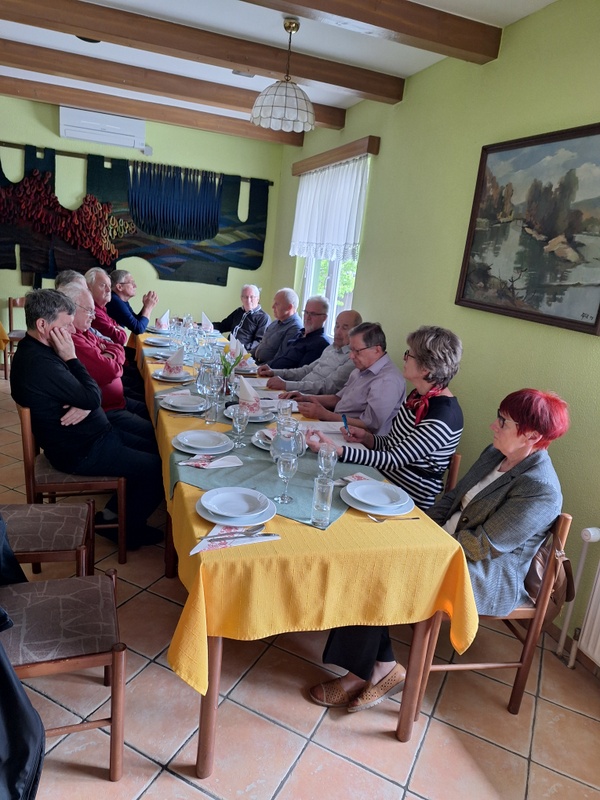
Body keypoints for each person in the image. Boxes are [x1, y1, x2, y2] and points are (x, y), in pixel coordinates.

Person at [308, 388, 569, 713]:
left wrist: (422, 546)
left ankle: (361, 674)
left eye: (503, 422)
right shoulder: (496, 453)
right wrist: (417, 526)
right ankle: (382, 666)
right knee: (368, 549)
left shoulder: (540, 488)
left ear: (532, 436)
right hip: (443, 543)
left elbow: (483, 546)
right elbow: (452, 499)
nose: (493, 425)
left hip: (481, 571)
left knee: (380, 569)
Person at [9, 289, 164, 550]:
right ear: (42, 325)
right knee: (157, 468)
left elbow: (89, 393)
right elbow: (92, 395)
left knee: (159, 447)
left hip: (95, 436)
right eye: (66, 325)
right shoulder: (41, 362)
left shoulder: (41, 349)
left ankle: (113, 515)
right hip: (82, 450)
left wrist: (87, 403)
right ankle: (127, 531)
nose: (72, 331)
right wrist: (72, 359)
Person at [307, 325, 463, 508]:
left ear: (426, 368)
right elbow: (392, 443)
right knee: (316, 484)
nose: (404, 358)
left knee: (322, 496)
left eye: (409, 355)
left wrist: (337, 450)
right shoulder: (418, 397)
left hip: (408, 499)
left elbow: (394, 459)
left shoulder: (444, 415)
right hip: (381, 481)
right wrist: (367, 438)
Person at [59, 282, 154, 435]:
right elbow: (111, 370)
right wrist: (109, 356)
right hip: (107, 411)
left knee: (158, 411)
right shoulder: (73, 339)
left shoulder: (84, 331)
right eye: (89, 311)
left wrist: (108, 354)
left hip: (118, 402)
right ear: (71, 310)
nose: (94, 316)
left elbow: (117, 345)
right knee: (158, 431)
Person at [295, 322, 405, 435]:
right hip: (336, 426)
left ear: (376, 350)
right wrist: (305, 398)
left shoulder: (388, 380)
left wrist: (325, 415)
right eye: (351, 350)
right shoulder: (361, 368)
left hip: (357, 439)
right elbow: (338, 398)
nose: (351, 356)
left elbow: (370, 427)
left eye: (357, 351)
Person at [258, 309, 362, 395]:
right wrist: (273, 372)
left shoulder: (352, 358)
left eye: (345, 328)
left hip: (312, 400)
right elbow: (306, 370)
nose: (338, 332)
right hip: (297, 392)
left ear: (356, 332)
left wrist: (286, 385)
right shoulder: (331, 348)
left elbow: (327, 387)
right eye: (337, 326)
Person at [265, 295, 331, 370]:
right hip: (267, 371)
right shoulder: (300, 334)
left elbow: (299, 373)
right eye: (306, 312)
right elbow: (280, 358)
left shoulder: (320, 343)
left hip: (277, 375)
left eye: (313, 314)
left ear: (324, 318)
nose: (307, 317)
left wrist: (271, 372)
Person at [252, 288, 302, 364]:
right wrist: (245, 357)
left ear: (289, 307)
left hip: (266, 368)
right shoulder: (276, 322)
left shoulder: (295, 328)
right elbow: (262, 344)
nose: (272, 307)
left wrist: (256, 368)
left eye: (277, 304)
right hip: (255, 363)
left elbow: (280, 359)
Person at [213, 284, 270, 351]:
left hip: (244, 353)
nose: (248, 300)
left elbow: (259, 342)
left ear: (258, 298)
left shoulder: (263, 317)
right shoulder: (239, 311)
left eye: (252, 297)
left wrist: (241, 348)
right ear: (241, 298)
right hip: (228, 348)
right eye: (246, 297)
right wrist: (207, 325)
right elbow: (223, 326)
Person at [106, 269, 159, 335]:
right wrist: (148, 308)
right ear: (119, 287)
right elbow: (138, 329)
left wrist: (146, 306)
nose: (135, 286)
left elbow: (136, 320)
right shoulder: (114, 301)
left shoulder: (120, 300)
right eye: (132, 283)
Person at [85, 267, 128, 346]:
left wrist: (117, 328)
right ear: (89, 288)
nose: (108, 290)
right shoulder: (93, 312)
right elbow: (120, 338)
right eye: (103, 285)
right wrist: (121, 330)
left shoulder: (102, 309)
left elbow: (116, 325)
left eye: (109, 286)